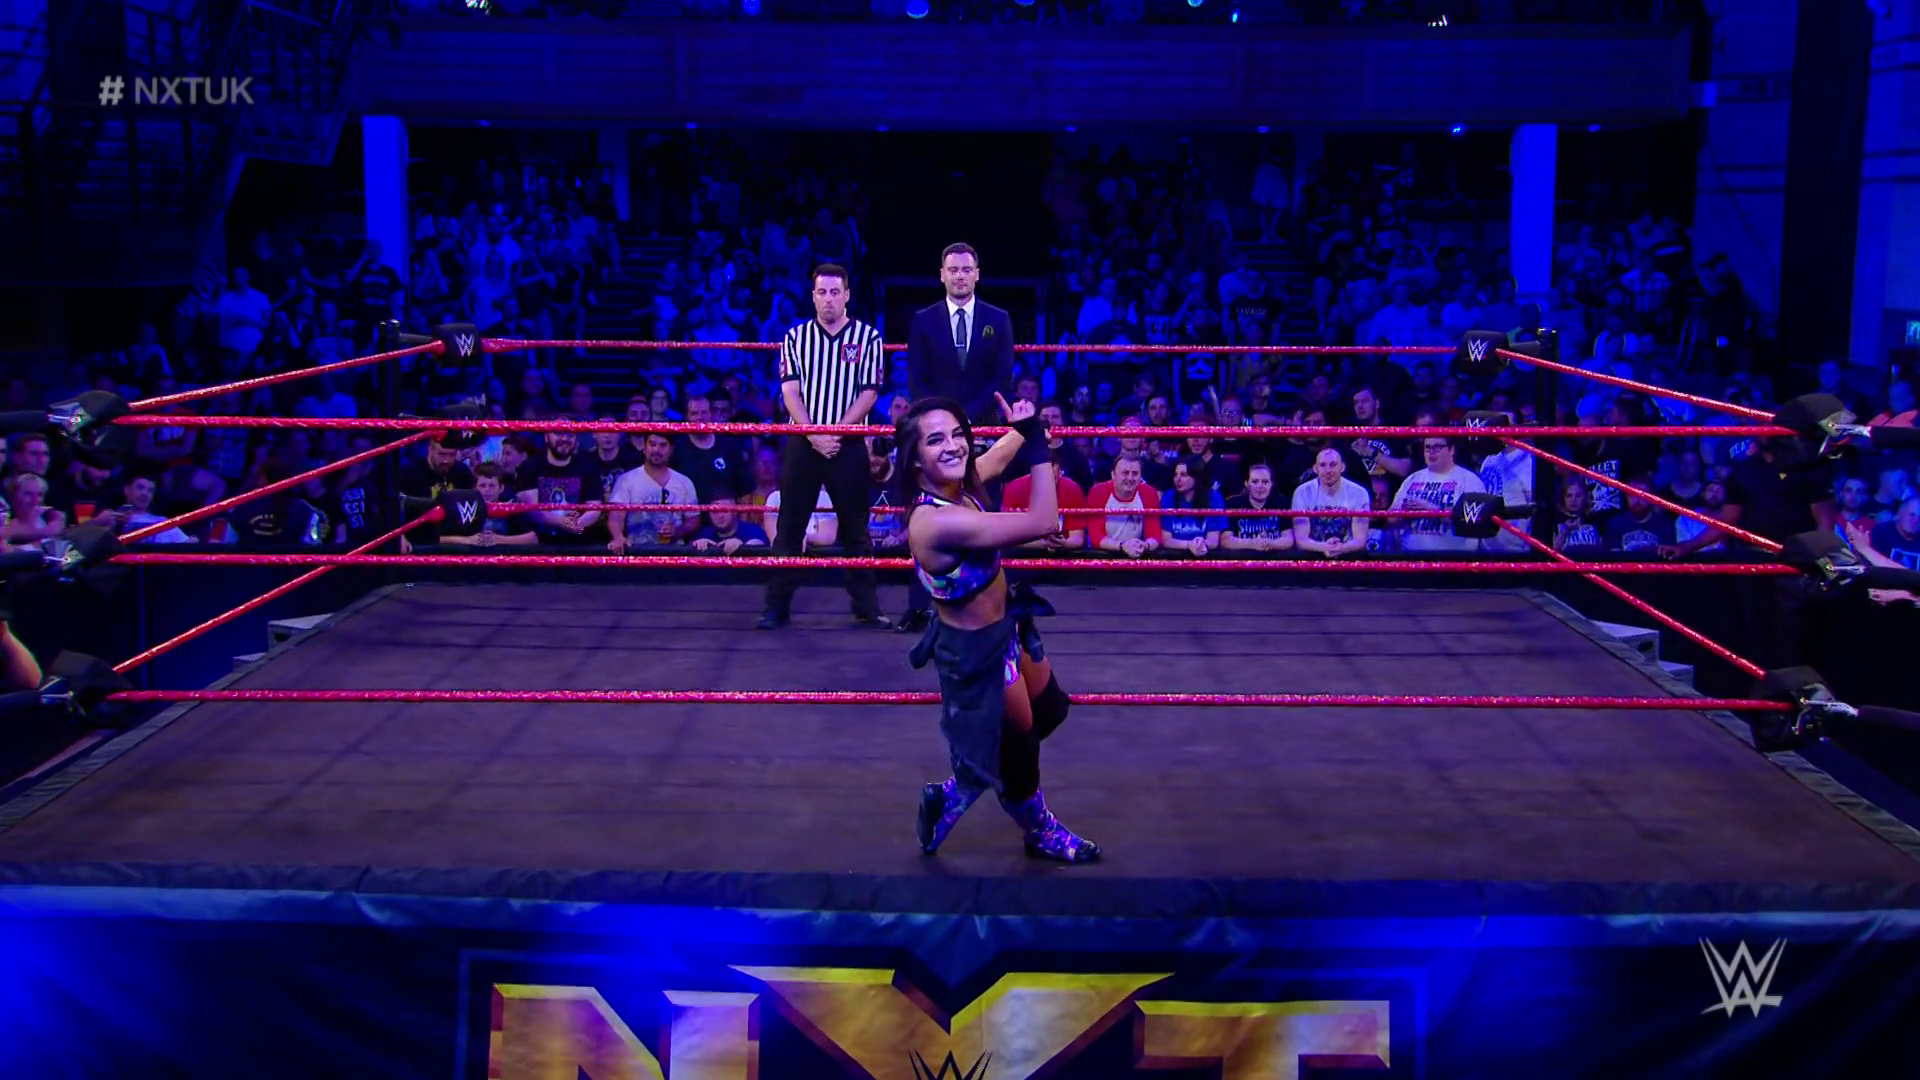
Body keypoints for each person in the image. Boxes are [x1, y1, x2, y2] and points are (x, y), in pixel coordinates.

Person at [899, 393, 1100, 864]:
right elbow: (1044, 520)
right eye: (935, 440)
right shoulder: (934, 522)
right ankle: (1041, 833)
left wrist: (1027, 425)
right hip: (976, 654)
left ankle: (957, 790)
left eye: (957, 434)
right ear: (915, 460)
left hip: (1006, 626)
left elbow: (1000, 454)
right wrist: (1038, 449)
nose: (953, 446)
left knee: (1047, 711)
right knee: (1018, 752)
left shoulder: (959, 484)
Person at [759, 264, 890, 630]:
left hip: (848, 443)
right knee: (790, 524)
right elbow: (790, 393)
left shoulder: (868, 337)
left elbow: (869, 393)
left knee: (855, 527)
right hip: (804, 442)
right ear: (813, 296)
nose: (829, 299)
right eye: (822, 292)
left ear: (847, 295)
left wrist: (836, 432)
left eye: (835, 292)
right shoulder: (795, 337)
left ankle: (867, 608)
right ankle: (776, 606)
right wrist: (814, 433)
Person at [899, 243, 1017, 633]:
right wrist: (945, 419)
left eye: (967, 270)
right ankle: (920, 607)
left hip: (981, 431)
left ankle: (989, 604)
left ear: (977, 274)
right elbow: (917, 377)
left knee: (982, 510)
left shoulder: (998, 319)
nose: (960, 276)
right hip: (935, 434)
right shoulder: (923, 320)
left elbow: (1001, 377)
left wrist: (965, 420)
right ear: (942, 275)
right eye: (953, 270)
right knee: (929, 514)